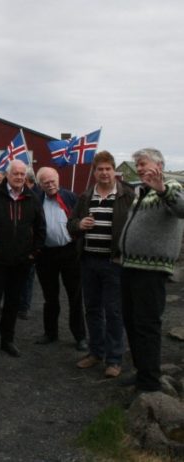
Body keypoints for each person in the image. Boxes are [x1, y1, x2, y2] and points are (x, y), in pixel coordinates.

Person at [119, 148, 184, 392]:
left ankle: (149, 383)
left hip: (151, 270)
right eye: (137, 165)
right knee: (132, 321)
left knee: (146, 325)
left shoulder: (171, 187)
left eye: (143, 164)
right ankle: (141, 371)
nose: (139, 168)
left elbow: (182, 209)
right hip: (130, 266)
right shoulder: (141, 193)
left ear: (159, 165)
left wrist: (162, 189)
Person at [67, 151, 134, 378]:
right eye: (100, 169)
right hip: (88, 261)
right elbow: (71, 223)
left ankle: (114, 359)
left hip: (114, 262)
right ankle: (96, 352)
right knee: (93, 309)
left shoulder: (127, 195)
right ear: (94, 172)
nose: (104, 173)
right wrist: (79, 224)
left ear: (114, 171)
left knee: (114, 311)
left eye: (108, 169)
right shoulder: (86, 196)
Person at [0, 160, 46, 358]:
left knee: (13, 303)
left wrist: (33, 254)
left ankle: (7, 340)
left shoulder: (32, 198)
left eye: (22, 174)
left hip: (21, 261)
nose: (19, 177)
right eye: (15, 173)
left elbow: (40, 228)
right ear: (7, 175)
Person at [34, 167, 87, 351]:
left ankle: (80, 336)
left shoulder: (70, 197)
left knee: (75, 296)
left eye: (53, 181)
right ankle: (50, 333)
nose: (50, 185)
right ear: (40, 184)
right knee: (50, 297)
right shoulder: (36, 199)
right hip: (45, 254)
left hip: (70, 252)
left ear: (58, 180)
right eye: (46, 182)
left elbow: (80, 220)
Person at [17, 167, 41, 319]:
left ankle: (23, 307)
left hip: (30, 246)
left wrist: (35, 249)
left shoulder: (36, 196)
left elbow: (39, 225)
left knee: (27, 278)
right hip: (18, 245)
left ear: (26, 180)